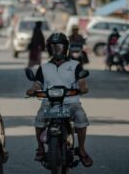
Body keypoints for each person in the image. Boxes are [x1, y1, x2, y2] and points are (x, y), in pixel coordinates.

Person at [26, 33, 93, 167]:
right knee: (39, 119)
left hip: (71, 102)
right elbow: (38, 83)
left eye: (59, 46)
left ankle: (81, 148)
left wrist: (83, 87)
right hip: (48, 103)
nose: (56, 49)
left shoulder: (75, 65)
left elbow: (82, 81)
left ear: (65, 48)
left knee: (80, 117)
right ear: (49, 49)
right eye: (53, 47)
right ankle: (40, 148)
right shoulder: (44, 68)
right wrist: (32, 90)